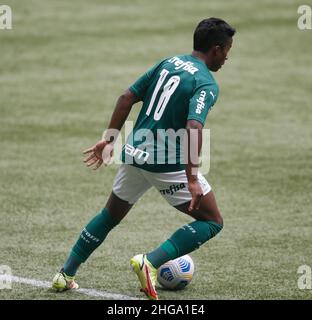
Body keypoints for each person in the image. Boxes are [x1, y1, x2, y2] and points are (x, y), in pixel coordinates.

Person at [52, 17, 236, 300]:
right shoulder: (206, 83)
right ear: (216, 48)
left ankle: (65, 274)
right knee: (212, 221)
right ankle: (149, 262)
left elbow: (127, 96)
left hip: (135, 152)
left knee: (109, 215)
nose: (227, 57)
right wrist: (192, 178)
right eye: (226, 50)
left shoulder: (168, 63)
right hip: (166, 163)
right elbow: (194, 127)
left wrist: (109, 138)